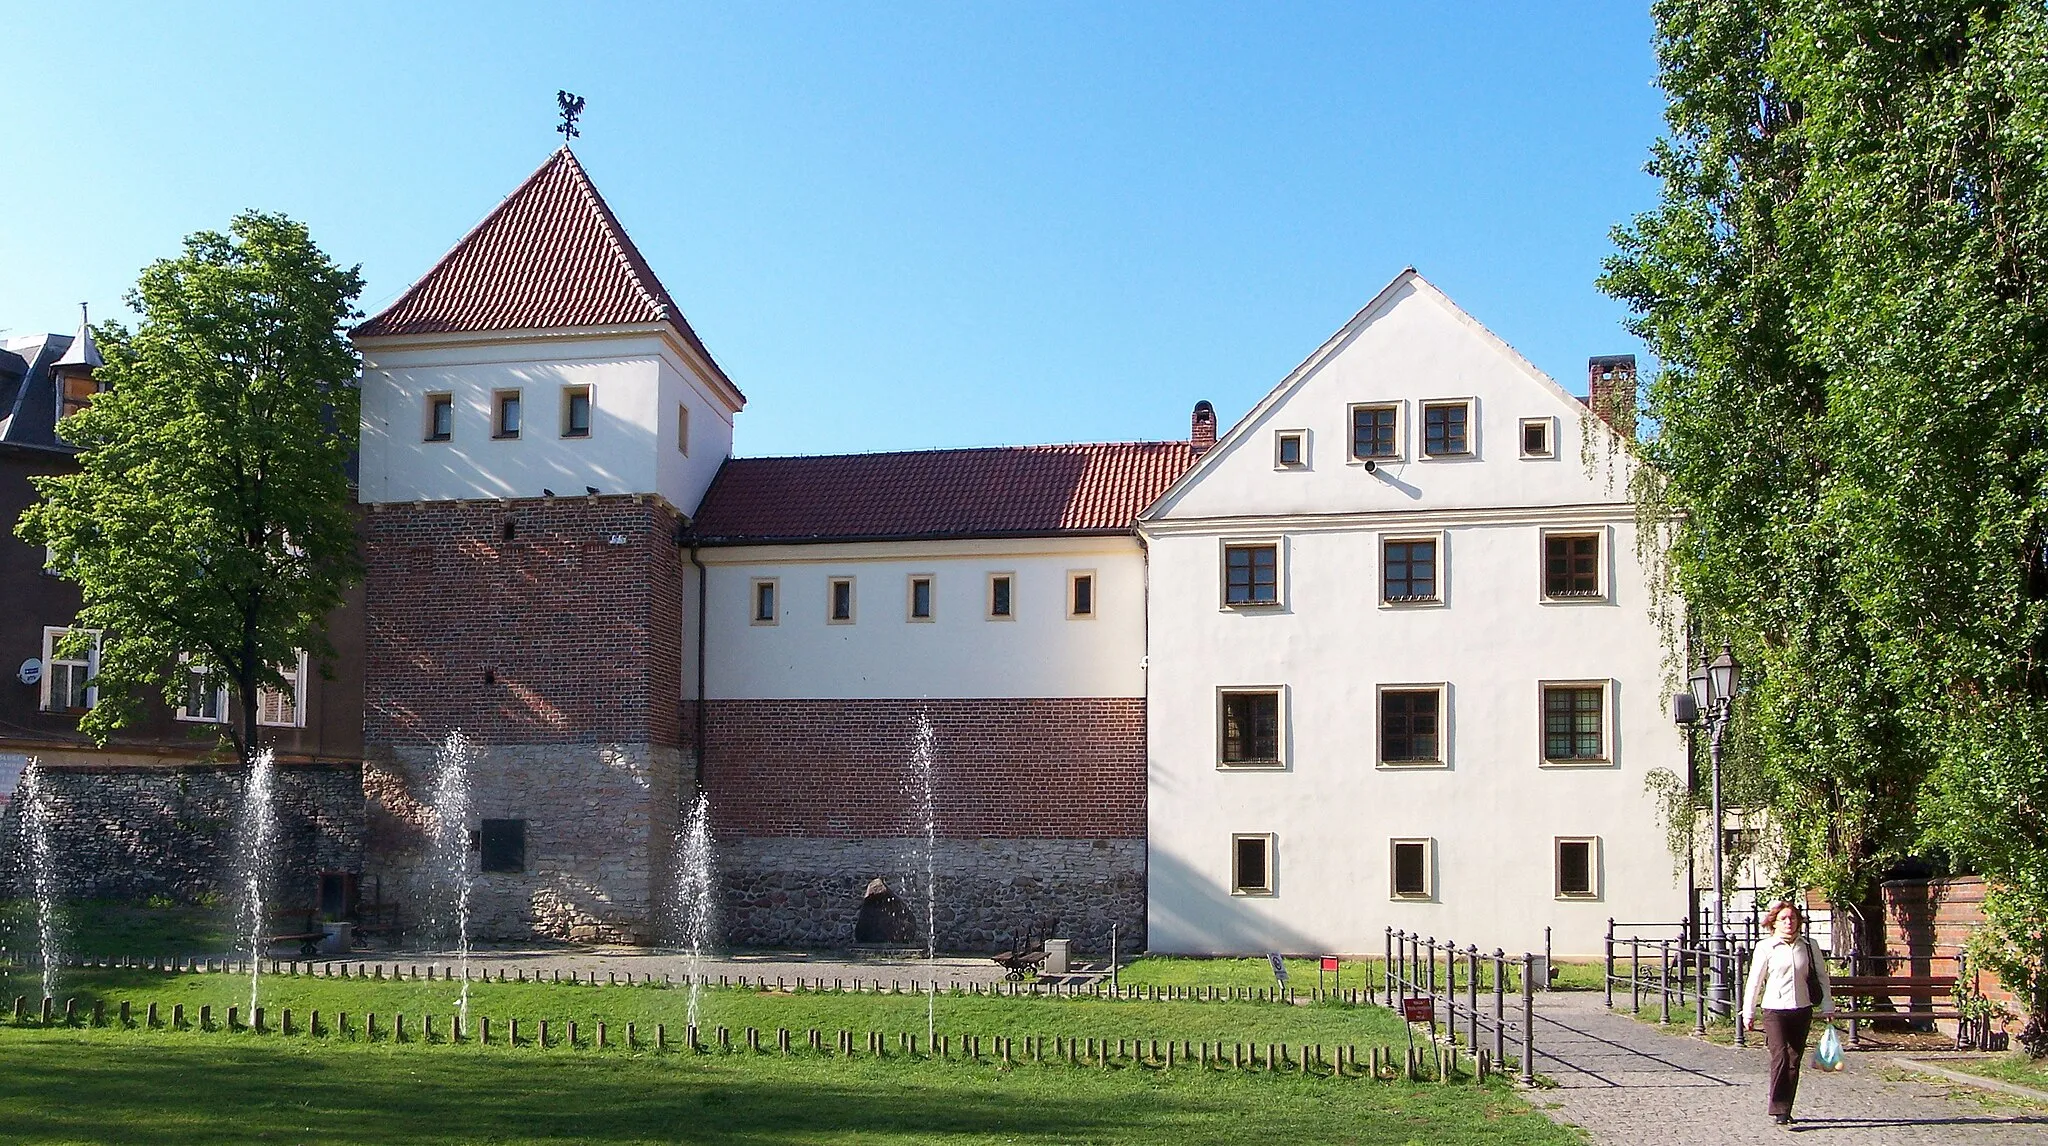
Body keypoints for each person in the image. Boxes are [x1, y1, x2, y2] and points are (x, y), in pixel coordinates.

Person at [1741, 900, 1834, 1124]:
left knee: (1794, 1060)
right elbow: (1755, 981)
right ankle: (1776, 1105)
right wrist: (1748, 1011)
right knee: (1780, 1056)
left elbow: (1821, 977)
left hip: (1801, 1008)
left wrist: (1827, 1005)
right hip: (1774, 1009)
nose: (1788, 922)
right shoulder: (1766, 947)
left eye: (1792, 918)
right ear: (1774, 922)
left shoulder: (1809, 946)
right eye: (1783, 918)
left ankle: (1785, 1110)